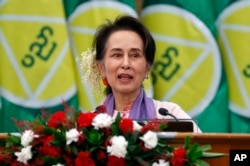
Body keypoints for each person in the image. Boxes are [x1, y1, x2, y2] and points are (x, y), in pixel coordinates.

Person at [80, 15, 201, 133]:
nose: (126, 64)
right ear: (101, 68)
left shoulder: (169, 115)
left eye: (135, 55)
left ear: (147, 68)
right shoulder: (90, 124)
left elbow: (205, 150)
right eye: (117, 55)